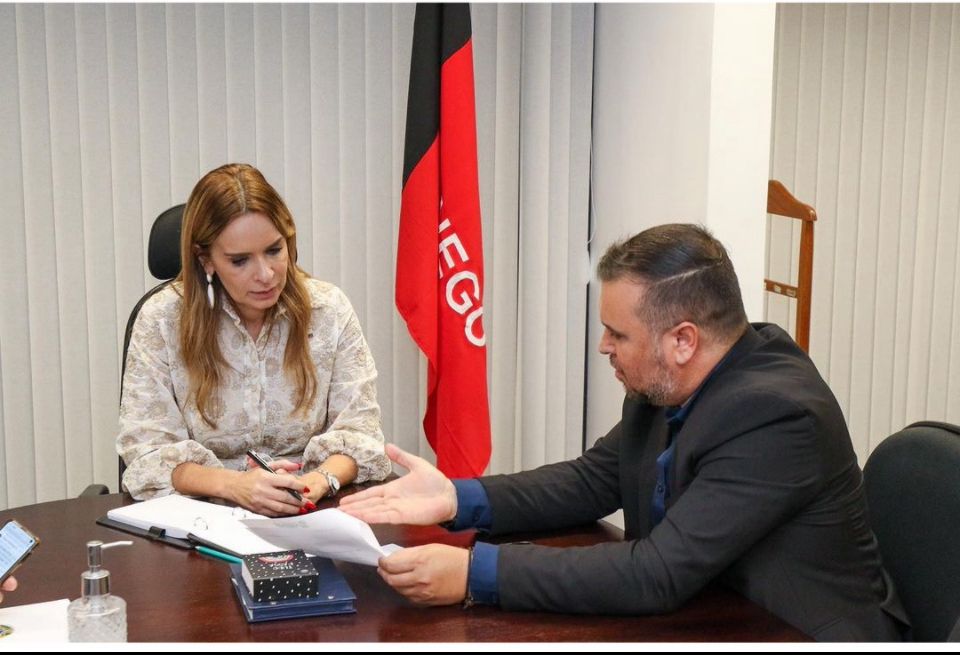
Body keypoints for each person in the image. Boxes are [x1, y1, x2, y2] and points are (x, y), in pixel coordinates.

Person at [341, 223, 907, 641]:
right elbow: (592, 481)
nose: (604, 346)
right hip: (709, 614)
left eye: (618, 333)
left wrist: (474, 573)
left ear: (682, 340)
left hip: (796, 630)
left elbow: (658, 572)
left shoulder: (776, 416)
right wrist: (455, 498)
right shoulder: (671, 378)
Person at [118, 163, 390, 516]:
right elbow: (147, 452)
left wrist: (317, 482)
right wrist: (235, 486)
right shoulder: (161, 320)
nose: (265, 274)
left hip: (310, 508)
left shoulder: (328, 310)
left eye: (274, 250)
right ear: (206, 260)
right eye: (240, 260)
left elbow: (361, 433)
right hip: (206, 513)